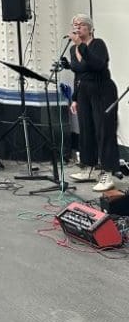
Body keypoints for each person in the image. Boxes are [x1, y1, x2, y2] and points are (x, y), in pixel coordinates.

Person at [65, 15, 120, 192]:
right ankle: (88, 167)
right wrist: (74, 98)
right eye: (75, 25)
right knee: (86, 129)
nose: (77, 28)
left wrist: (81, 46)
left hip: (102, 90)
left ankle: (107, 172)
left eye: (81, 25)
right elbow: (78, 72)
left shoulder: (98, 44)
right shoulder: (74, 49)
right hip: (84, 91)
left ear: (89, 28)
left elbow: (97, 65)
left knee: (104, 130)